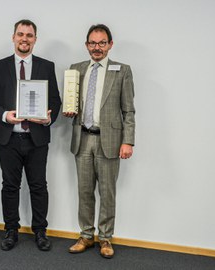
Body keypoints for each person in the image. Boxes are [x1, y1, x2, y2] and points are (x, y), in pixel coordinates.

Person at [0, 19, 62, 252]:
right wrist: (5, 115)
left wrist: (48, 118)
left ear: (35, 39)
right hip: (8, 138)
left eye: (29, 35)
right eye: (20, 34)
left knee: (38, 186)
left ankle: (40, 231)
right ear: (13, 37)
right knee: (10, 186)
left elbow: (55, 100)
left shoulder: (47, 66)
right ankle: (11, 230)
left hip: (36, 138)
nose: (24, 39)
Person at [63, 24, 135, 259]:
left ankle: (105, 238)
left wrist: (128, 141)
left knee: (107, 192)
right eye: (92, 43)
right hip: (82, 138)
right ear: (86, 45)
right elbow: (70, 101)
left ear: (110, 45)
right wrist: (69, 109)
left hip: (110, 141)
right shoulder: (76, 69)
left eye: (102, 43)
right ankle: (86, 235)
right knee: (84, 191)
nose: (97, 47)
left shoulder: (122, 71)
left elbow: (129, 111)